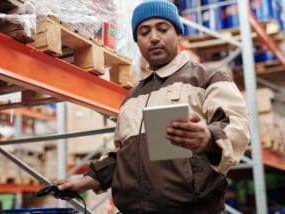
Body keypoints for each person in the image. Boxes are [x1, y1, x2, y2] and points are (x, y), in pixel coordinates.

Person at [55, 0, 251, 213]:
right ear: (137, 42)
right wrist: (87, 180)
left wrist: (208, 139)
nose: (154, 37)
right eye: (144, 32)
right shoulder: (132, 98)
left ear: (178, 33)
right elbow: (124, 156)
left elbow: (237, 127)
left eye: (163, 29)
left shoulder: (208, 79)